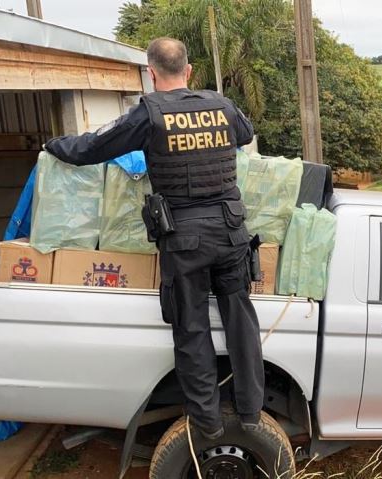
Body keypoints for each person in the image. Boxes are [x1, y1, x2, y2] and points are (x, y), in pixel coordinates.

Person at [44, 37, 264, 441]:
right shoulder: (220, 104)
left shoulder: (150, 113)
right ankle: (251, 412)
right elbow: (246, 134)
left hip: (185, 240)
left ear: (151, 73)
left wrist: (53, 145)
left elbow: (93, 147)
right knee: (240, 321)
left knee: (191, 326)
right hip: (232, 230)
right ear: (189, 70)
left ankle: (208, 423)